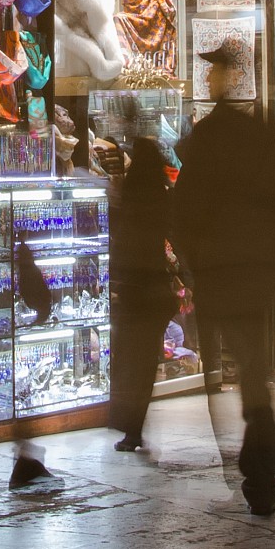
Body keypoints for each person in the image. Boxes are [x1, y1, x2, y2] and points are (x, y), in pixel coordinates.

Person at [170, 38, 275, 515]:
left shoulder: (207, 139)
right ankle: (261, 463)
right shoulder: (258, 135)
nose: (209, 78)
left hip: (224, 273)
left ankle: (254, 466)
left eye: (214, 71)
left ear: (227, 77)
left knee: (230, 373)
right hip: (254, 271)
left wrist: (192, 263)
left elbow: (185, 210)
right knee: (253, 369)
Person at [105, 119, 175, 454]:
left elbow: (122, 244)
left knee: (129, 360)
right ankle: (133, 428)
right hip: (155, 290)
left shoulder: (131, 201)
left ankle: (129, 425)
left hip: (134, 291)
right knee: (144, 363)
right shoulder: (160, 199)